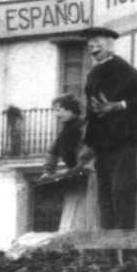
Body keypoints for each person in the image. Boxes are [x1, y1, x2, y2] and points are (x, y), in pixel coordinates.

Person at [80, 26, 137, 230]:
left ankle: (125, 251)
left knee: (122, 194)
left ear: (111, 46)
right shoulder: (93, 74)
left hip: (123, 141)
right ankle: (110, 250)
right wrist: (88, 144)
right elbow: (92, 112)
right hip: (102, 144)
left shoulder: (123, 68)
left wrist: (119, 105)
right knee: (105, 196)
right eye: (90, 44)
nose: (93, 47)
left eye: (98, 43)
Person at [39, 93, 99, 231]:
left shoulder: (84, 126)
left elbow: (88, 148)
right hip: (75, 177)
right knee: (73, 213)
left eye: (58, 109)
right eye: (54, 110)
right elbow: (52, 152)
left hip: (88, 176)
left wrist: (78, 168)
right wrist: (47, 171)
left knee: (87, 215)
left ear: (70, 109)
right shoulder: (62, 134)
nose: (56, 114)